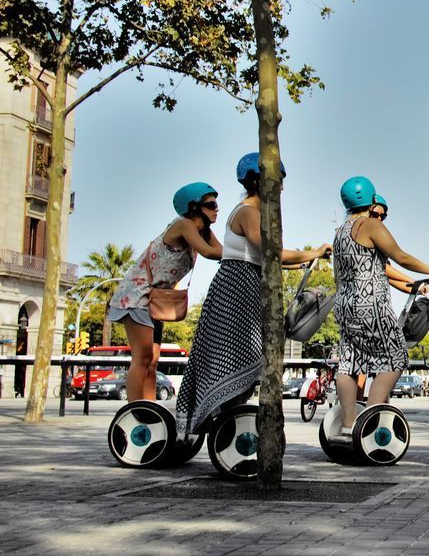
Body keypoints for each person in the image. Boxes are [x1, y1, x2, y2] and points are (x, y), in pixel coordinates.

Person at [175, 153, 330, 438]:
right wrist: (315, 252)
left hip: (248, 285)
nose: (281, 187)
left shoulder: (254, 212)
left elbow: (269, 258)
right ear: (260, 181)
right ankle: (225, 423)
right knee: (240, 356)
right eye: (277, 180)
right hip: (238, 289)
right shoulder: (248, 212)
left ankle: (228, 421)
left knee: (247, 359)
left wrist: (305, 260)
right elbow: (270, 253)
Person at [331, 176, 429, 439]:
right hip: (371, 305)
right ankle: (369, 420)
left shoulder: (339, 233)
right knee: (396, 358)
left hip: (345, 304)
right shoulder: (369, 225)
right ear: (371, 201)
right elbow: (400, 256)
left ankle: (348, 425)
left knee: (349, 364)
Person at [108, 182, 224, 401]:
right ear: (193, 207)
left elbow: (221, 250)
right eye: (211, 204)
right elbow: (210, 253)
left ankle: (150, 409)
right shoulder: (183, 225)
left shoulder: (204, 231)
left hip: (155, 300)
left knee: (152, 361)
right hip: (137, 295)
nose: (216, 209)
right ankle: (134, 410)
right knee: (142, 358)